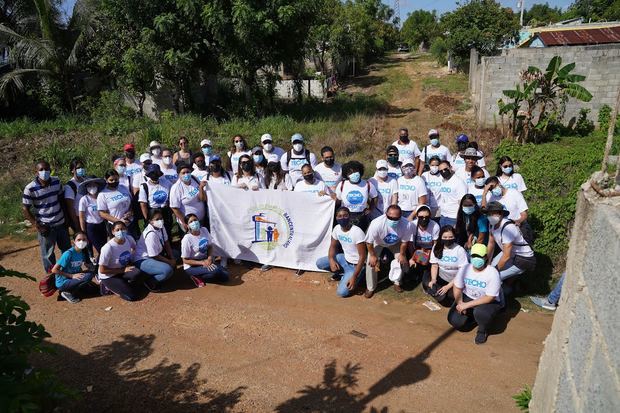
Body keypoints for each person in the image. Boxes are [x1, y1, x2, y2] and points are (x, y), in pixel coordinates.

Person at [448, 243, 502, 345]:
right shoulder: (465, 268)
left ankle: (482, 330)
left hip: (487, 301)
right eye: (474, 256)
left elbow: (490, 297)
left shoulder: (492, 272)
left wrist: (467, 305)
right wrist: (460, 303)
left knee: (481, 313)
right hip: (468, 297)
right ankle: (474, 318)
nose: (476, 259)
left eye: (479, 256)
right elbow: (457, 286)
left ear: (485, 257)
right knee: (455, 321)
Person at [22, 160, 71, 272]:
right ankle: (52, 276)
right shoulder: (30, 188)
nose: (45, 172)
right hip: (46, 226)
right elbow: (25, 208)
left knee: (67, 250)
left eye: (47, 169)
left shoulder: (56, 182)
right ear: (36, 172)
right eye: (41, 170)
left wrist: (66, 217)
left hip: (60, 222)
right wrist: (37, 225)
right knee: (48, 254)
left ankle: (69, 270)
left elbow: (61, 199)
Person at [316, 207, 367, 297]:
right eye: (339, 216)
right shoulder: (337, 229)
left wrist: (354, 277)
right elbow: (333, 246)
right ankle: (343, 273)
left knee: (341, 293)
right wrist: (331, 259)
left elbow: (362, 256)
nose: (342, 218)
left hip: (356, 265)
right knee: (320, 263)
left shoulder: (357, 232)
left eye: (345, 216)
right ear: (336, 218)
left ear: (350, 217)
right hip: (344, 259)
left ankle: (357, 277)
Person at [364, 205, 412, 296]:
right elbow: (369, 242)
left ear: (401, 216)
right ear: (386, 215)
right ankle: (370, 287)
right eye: (390, 217)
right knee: (371, 263)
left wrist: (402, 254)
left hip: (395, 243)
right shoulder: (376, 223)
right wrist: (373, 256)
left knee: (401, 259)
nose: (393, 220)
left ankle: (397, 282)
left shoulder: (406, 224)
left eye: (396, 218)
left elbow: (404, 242)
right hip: (378, 242)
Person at [485, 201, 536, 287]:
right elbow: (491, 244)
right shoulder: (492, 225)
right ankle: (507, 285)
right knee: (489, 269)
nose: (490, 216)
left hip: (522, 259)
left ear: (500, 214)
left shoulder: (508, 228)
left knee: (494, 277)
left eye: (493, 213)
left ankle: (503, 293)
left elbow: (506, 256)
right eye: (489, 214)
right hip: (510, 253)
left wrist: (495, 270)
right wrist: (486, 261)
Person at [181, 213, 229, 287]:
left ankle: (204, 275)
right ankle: (195, 276)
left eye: (195, 220)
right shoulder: (187, 239)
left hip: (205, 260)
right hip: (192, 266)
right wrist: (202, 263)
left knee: (225, 276)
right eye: (191, 222)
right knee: (216, 271)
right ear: (187, 226)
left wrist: (209, 258)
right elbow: (185, 260)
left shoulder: (204, 230)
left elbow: (210, 246)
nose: (194, 222)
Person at [97, 221, 141, 301]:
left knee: (137, 273)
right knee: (132, 296)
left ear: (126, 230)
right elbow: (102, 270)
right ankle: (106, 286)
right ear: (113, 232)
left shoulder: (129, 239)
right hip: (108, 275)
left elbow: (135, 249)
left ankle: (121, 284)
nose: (120, 231)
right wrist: (123, 270)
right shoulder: (108, 247)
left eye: (123, 229)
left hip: (121, 270)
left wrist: (130, 262)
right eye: (117, 230)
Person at [424, 225, 468, 305]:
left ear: (454, 237)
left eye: (451, 237)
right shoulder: (436, 247)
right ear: (441, 237)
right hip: (441, 277)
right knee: (428, 283)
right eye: (445, 237)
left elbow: (462, 272)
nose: (448, 239)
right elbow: (434, 265)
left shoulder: (460, 250)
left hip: (455, 280)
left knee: (450, 298)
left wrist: (448, 287)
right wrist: (434, 279)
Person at [134, 209, 177, 291]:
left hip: (155, 254)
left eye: (161, 218)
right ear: (150, 221)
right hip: (143, 259)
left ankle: (155, 272)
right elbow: (154, 255)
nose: (160, 221)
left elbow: (166, 242)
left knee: (176, 255)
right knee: (167, 270)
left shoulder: (160, 226)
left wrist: (172, 258)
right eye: (157, 219)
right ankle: (150, 282)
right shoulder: (151, 235)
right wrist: (170, 262)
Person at [51, 231, 95, 303]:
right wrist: (71, 276)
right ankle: (67, 292)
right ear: (74, 241)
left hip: (72, 277)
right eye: (79, 240)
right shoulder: (68, 253)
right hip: (63, 282)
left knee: (91, 273)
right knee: (88, 276)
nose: (81, 241)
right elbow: (54, 270)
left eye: (84, 240)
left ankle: (78, 288)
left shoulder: (82, 253)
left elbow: (87, 265)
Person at [335, 161, 378, 232]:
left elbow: (375, 197)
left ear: (360, 171)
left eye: (355, 171)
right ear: (346, 175)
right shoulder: (342, 185)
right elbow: (338, 200)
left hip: (362, 216)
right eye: (350, 173)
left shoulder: (367, 184)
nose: (354, 174)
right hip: (346, 216)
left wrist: (370, 209)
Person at [97, 169, 136, 238]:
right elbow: (102, 213)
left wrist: (130, 211)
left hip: (130, 222)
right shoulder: (102, 194)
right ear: (106, 180)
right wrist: (119, 221)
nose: (114, 181)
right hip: (116, 226)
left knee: (133, 244)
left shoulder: (124, 188)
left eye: (116, 179)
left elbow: (131, 202)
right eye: (111, 180)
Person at [170, 163, 206, 232]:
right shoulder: (176, 188)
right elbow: (174, 208)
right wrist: (184, 222)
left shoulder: (194, 179)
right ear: (178, 174)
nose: (186, 174)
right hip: (190, 223)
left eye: (188, 172)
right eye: (183, 173)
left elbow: (202, 199)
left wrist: (201, 188)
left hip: (201, 219)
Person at [409, 205, 440, 283]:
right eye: (421, 217)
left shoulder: (435, 226)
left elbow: (435, 244)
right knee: (408, 267)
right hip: (416, 250)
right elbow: (410, 243)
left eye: (427, 217)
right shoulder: (412, 225)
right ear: (416, 216)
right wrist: (412, 258)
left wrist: (430, 257)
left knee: (425, 278)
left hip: (429, 251)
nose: (424, 219)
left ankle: (426, 270)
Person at [138, 164, 173, 234]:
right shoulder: (144, 186)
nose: (154, 175)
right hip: (152, 212)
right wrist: (147, 219)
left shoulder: (167, 183)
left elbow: (172, 196)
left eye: (156, 173)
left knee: (167, 230)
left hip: (165, 211)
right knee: (154, 232)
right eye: (152, 173)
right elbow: (143, 204)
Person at [78, 178, 107, 255]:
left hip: (102, 225)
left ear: (97, 186)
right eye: (89, 185)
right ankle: (98, 266)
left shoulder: (101, 197)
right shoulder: (84, 199)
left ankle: (101, 264)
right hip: (91, 227)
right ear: (86, 187)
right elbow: (81, 216)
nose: (92, 187)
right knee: (101, 249)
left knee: (104, 247)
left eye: (94, 185)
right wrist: (83, 231)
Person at [437, 160, 468, 228]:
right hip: (443, 216)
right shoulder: (443, 181)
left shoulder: (459, 182)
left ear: (450, 167)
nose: (443, 172)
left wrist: (458, 219)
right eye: (441, 171)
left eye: (445, 169)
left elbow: (462, 203)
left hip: (454, 217)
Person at [64, 158, 88, 231]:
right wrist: (76, 225)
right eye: (78, 168)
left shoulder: (87, 181)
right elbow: (70, 208)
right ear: (72, 170)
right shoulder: (70, 186)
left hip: (90, 217)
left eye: (82, 167)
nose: (81, 169)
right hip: (79, 218)